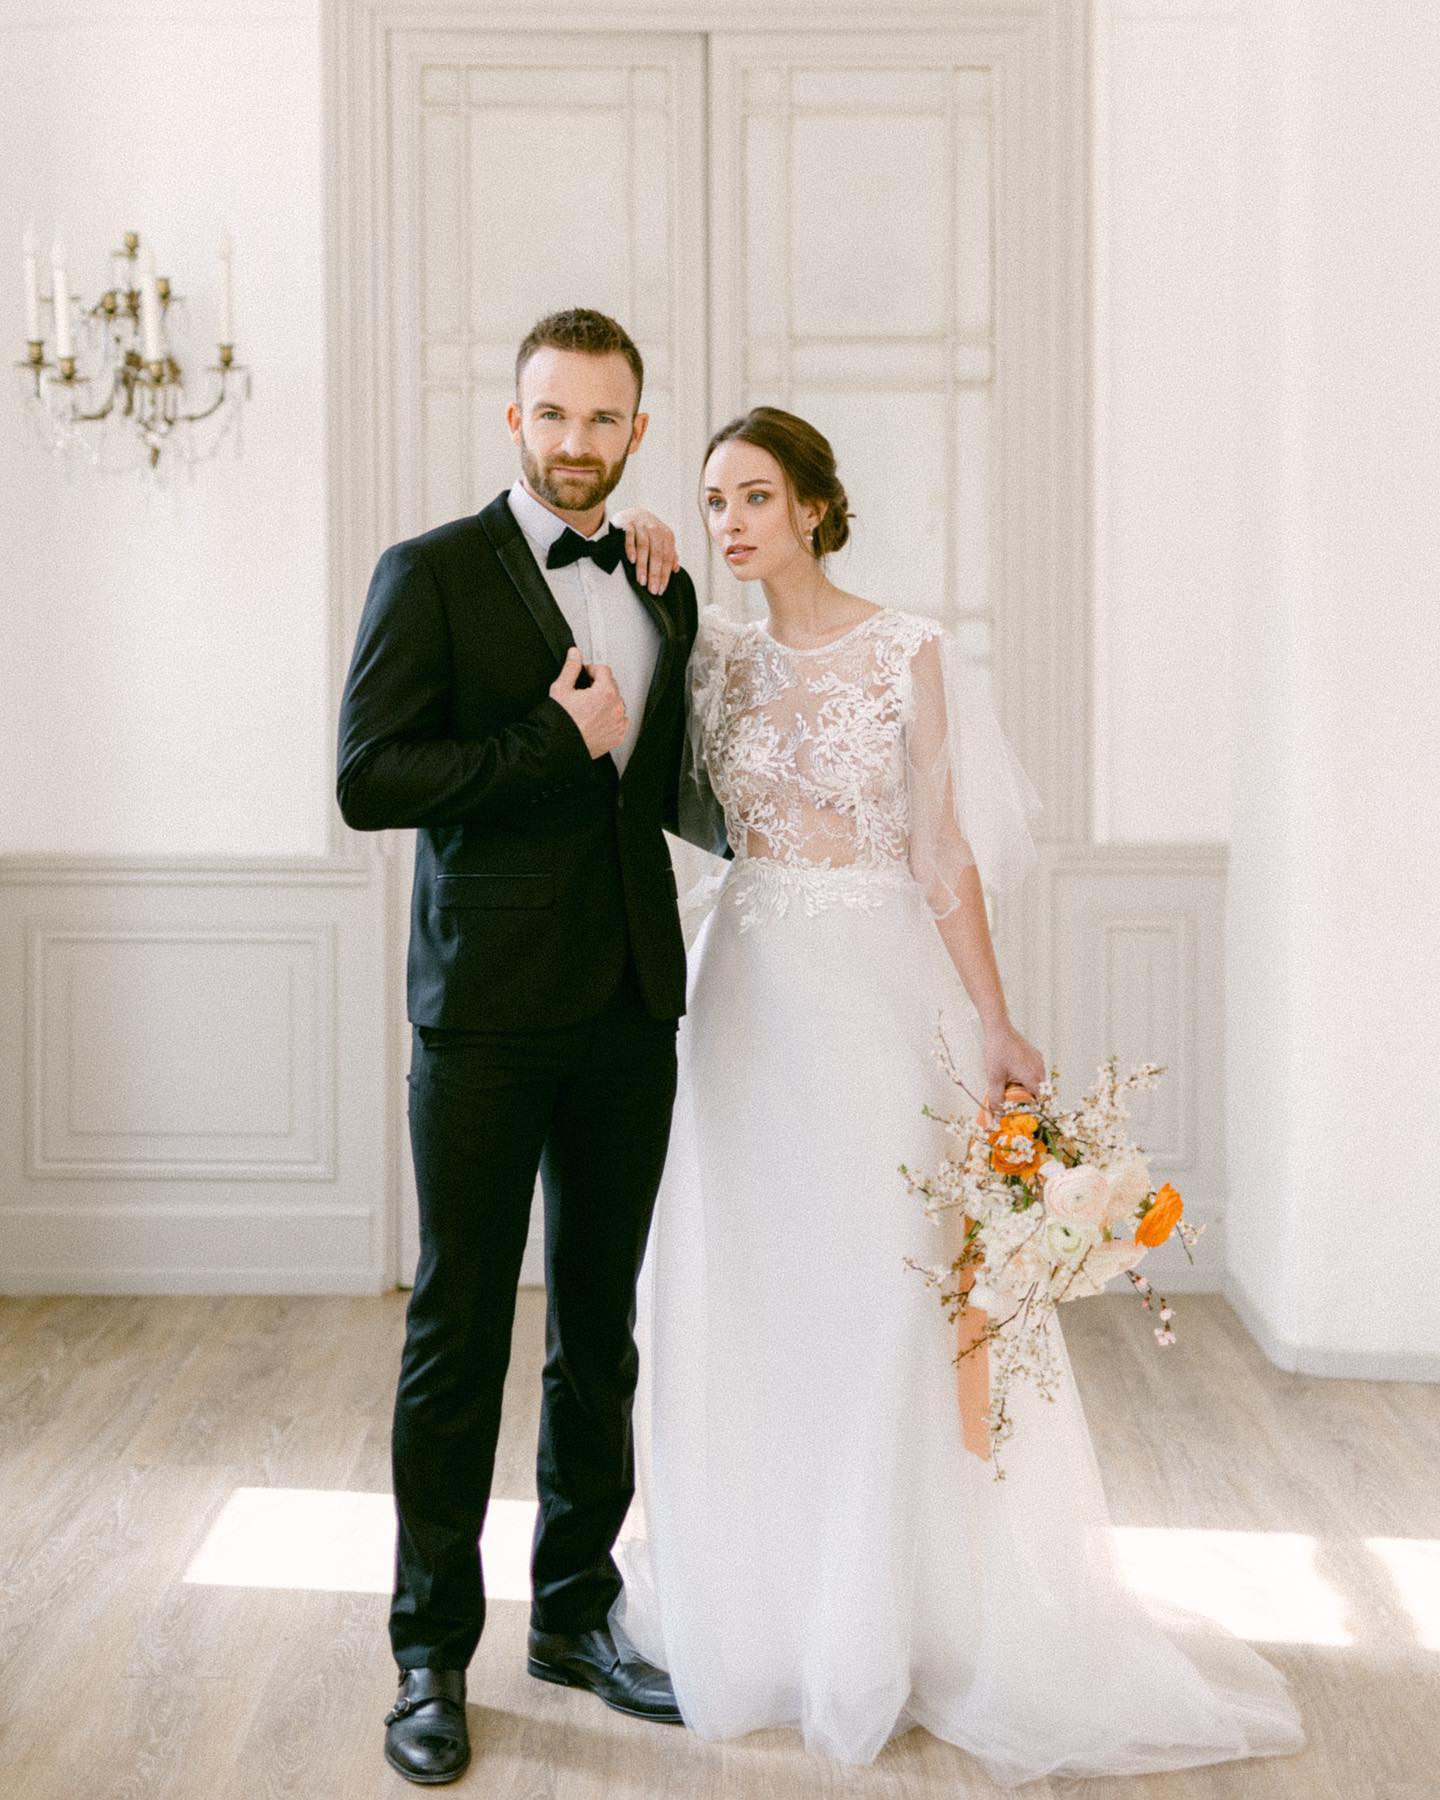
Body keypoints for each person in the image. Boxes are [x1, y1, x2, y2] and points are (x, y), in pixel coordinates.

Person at [610, 407, 1307, 1786]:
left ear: (815, 506)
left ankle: (913, 1611)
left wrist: (994, 1019)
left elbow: (940, 849)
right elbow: (663, 801)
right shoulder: (716, 660)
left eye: (757, 496)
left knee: (896, 1293)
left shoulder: (907, 649)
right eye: (713, 500)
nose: (734, 521)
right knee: (755, 1286)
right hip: (745, 989)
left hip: (879, 993)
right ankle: (774, 1604)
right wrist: (652, 585)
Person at [337, 308, 697, 1786]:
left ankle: (573, 1613)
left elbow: (668, 784)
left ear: (635, 432)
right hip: (481, 1016)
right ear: (513, 421)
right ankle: (430, 1655)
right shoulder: (427, 574)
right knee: (459, 1334)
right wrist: (545, 742)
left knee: (600, 1333)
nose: (575, 445)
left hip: (628, 1011)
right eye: (553, 416)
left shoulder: (659, 586)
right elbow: (367, 777)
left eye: (603, 421)